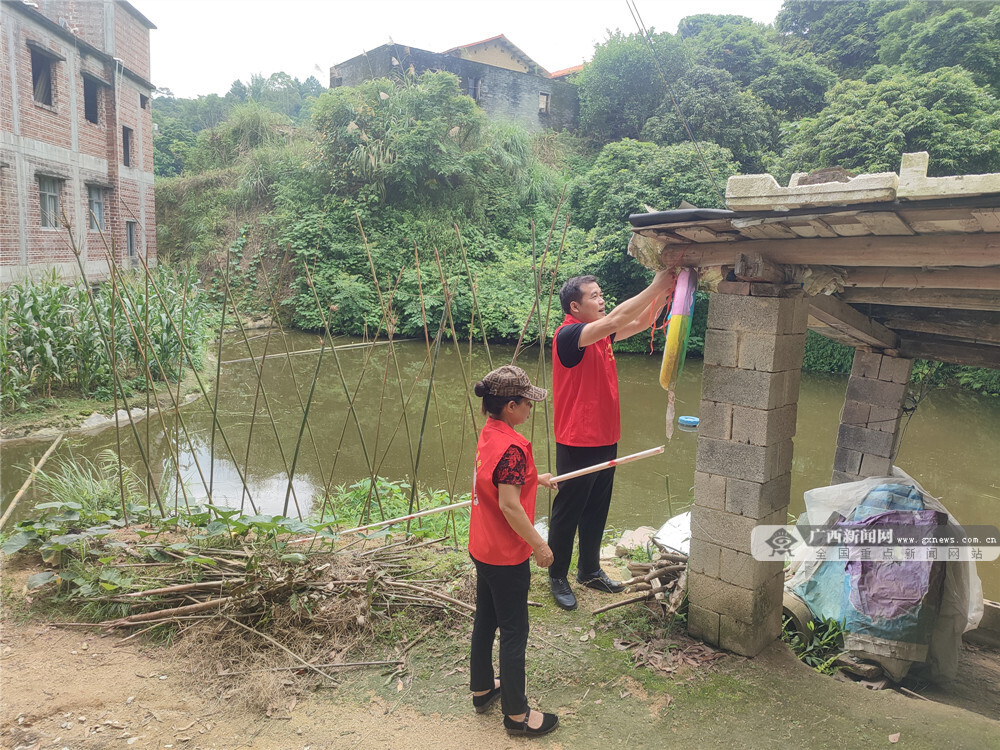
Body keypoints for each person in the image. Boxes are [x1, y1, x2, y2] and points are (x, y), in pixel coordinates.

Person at [548, 271, 670, 611]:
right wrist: (658, 283)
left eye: (602, 295)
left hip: (605, 436)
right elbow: (618, 317)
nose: (602, 300)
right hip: (577, 438)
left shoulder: (600, 336)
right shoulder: (570, 335)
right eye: (595, 296)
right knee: (567, 511)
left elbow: (642, 320)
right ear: (575, 306)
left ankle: (589, 570)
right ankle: (557, 575)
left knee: (597, 508)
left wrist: (669, 291)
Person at [468, 365, 560, 738]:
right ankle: (517, 717)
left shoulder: (491, 433)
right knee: (514, 630)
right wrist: (539, 544)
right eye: (527, 402)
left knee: (486, 620)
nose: (530, 409)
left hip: (482, 545)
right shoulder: (513, 448)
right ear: (509, 405)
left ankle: (482, 690)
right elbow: (509, 505)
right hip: (506, 555)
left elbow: (496, 479)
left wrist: (535, 478)